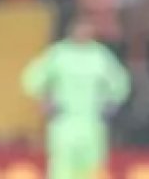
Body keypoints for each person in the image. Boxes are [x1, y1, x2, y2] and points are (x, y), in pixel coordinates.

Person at [21, 18, 132, 179]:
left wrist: (111, 103)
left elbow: (120, 83)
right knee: (62, 168)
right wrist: (44, 99)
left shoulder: (100, 55)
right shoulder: (59, 54)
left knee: (93, 168)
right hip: (64, 120)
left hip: (92, 121)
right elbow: (32, 79)